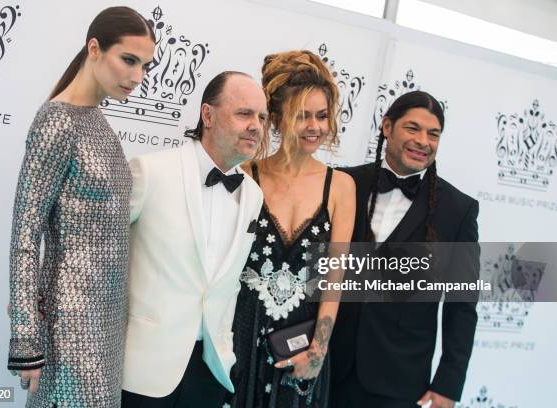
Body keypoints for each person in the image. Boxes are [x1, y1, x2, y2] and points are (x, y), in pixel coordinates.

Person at [7, 7, 155, 407]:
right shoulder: (56, 121)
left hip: (106, 324)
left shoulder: (97, 121)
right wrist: (25, 337)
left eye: (144, 65)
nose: (137, 76)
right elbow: (25, 232)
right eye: (129, 59)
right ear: (94, 48)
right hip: (68, 327)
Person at [120, 71, 268, 408]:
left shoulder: (254, 196)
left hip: (210, 370)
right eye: (244, 113)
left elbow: (226, 284)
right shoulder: (150, 171)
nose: (256, 126)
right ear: (208, 115)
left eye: (261, 117)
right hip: (144, 366)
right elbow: (96, 252)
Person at [330, 91, 479, 408]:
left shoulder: (458, 210)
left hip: (398, 380)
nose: (423, 141)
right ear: (387, 127)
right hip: (327, 367)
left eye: (433, 133)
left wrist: (449, 384)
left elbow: (462, 305)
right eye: (412, 128)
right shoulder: (343, 183)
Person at [229, 50, 356, 408]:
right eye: (303, 116)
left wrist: (318, 351)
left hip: (303, 346)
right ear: (278, 118)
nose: (314, 127)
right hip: (241, 334)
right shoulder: (245, 174)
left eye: (322, 115)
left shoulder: (341, 186)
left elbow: (335, 277)